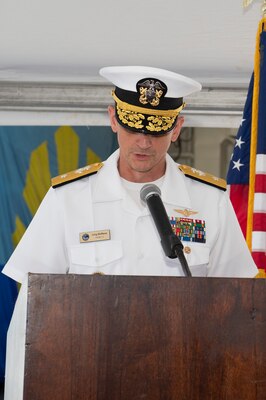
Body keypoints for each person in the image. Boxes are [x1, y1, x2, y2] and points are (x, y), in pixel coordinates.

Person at [2, 66, 258, 283]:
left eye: (156, 130)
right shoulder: (68, 198)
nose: (143, 143)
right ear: (113, 119)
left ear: (177, 128)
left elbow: (235, 299)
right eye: (133, 128)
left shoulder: (209, 201)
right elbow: (33, 296)